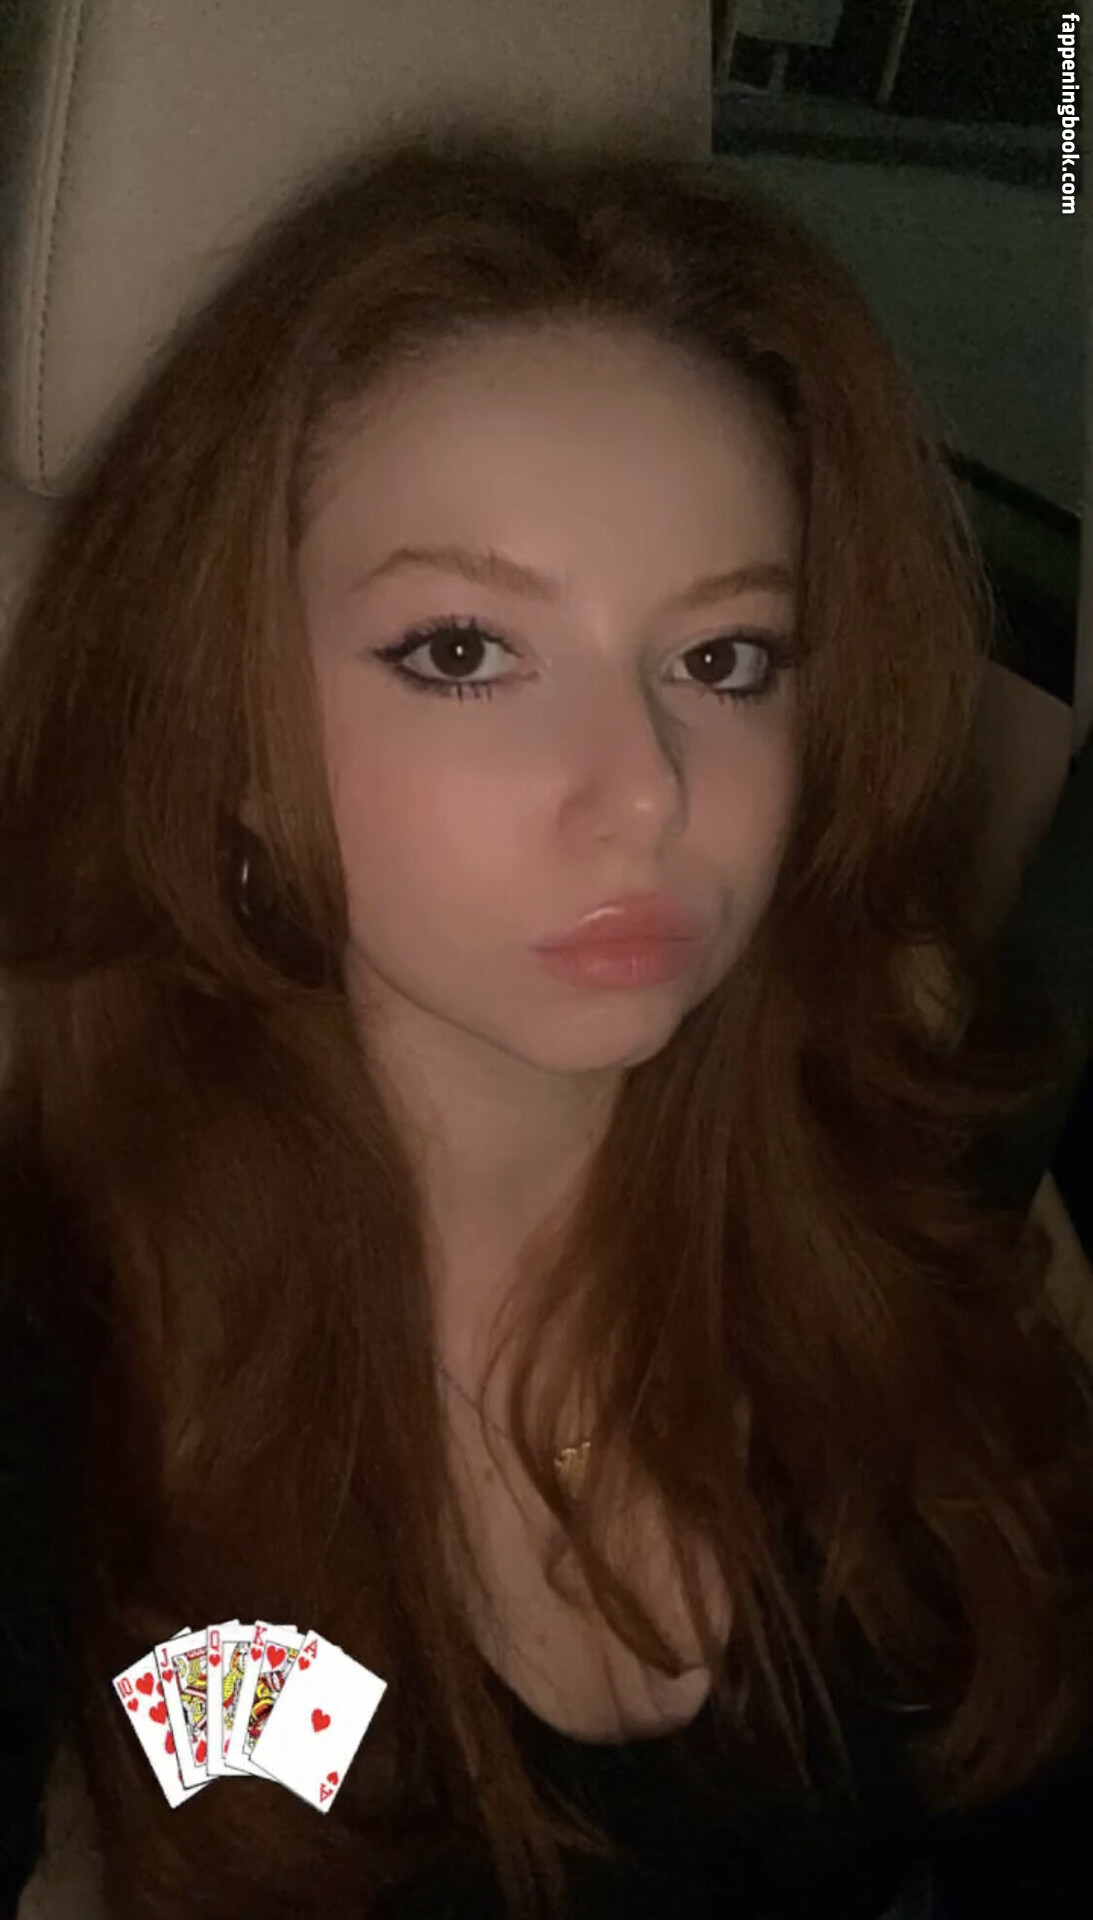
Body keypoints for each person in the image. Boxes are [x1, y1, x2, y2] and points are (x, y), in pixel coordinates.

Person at [1, 125, 1092, 1920]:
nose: (646, 789)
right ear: (230, 736)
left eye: (722, 659)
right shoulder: (64, 1361)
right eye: (461, 652)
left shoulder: (895, 1226)